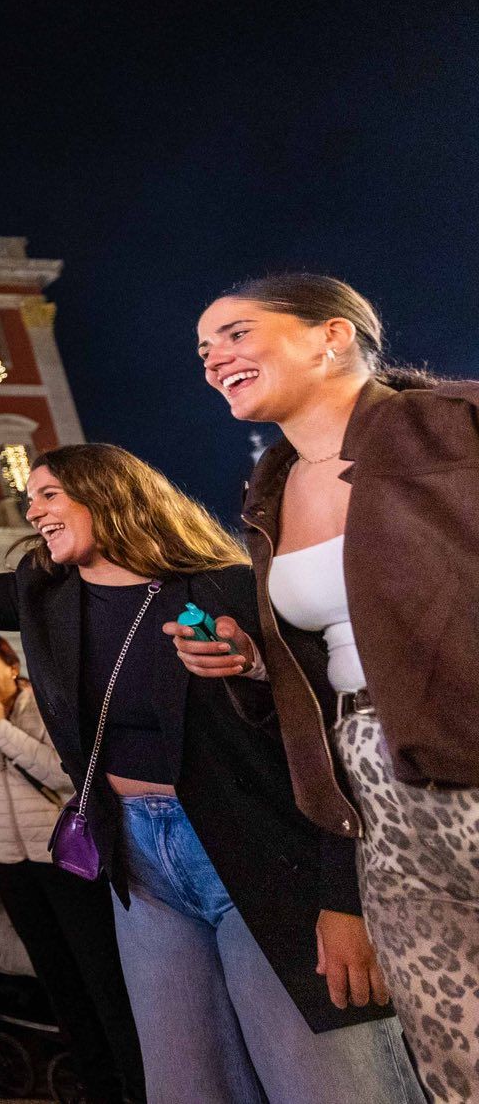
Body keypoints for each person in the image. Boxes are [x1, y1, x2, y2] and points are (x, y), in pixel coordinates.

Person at [0, 430, 421, 1103]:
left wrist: (344, 902)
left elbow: (329, 745)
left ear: (108, 497)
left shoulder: (227, 588)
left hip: (254, 851)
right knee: (186, 1085)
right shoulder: (45, 595)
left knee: (325, 1082)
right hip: (142, 868)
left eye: (49, 494)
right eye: (29, 500)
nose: (33, 511)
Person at [190, 274, 479, 1102]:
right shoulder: (269, 494)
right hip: (373, 792)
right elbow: (332, 654)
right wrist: (254, 662)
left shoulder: (451, 424)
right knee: (452, 1049)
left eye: (237, 333)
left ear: (332, 335)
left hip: (466, 749)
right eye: (204, 349)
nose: (214, 357)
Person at [0, 631, 144, 1103]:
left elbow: (63, 775)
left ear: (12, 666)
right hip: (12, 864)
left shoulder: (46, 709)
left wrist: (1, 729)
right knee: (56, 977)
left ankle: (136, 1082)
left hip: (62, 859)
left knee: (100, 973)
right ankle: (97, 1084)